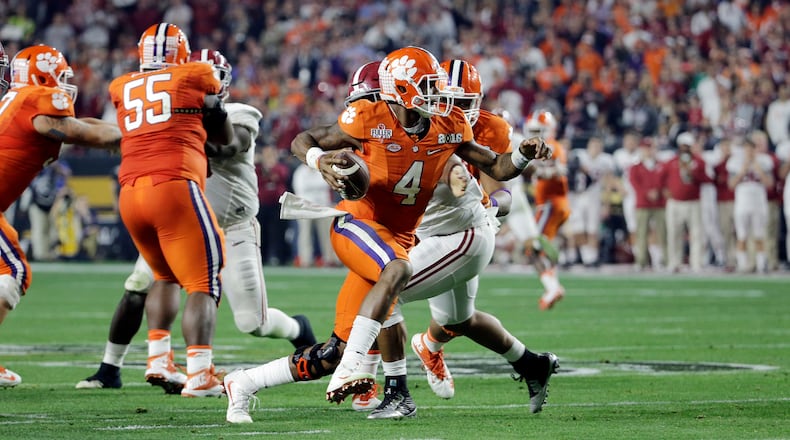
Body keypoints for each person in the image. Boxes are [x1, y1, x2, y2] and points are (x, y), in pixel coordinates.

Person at [223, 46, 552, 424]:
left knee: (338, 346)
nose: (440, 98)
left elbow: (491, 167)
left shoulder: (447, 125)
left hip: (409, 236)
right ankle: (380, 381)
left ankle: (245, 382)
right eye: (429, 87)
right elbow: (311, 140)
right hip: (362, 227)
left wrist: (518, 162)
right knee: (394, 280)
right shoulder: (367, 119)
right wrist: (321, 162)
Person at [75, 48, 317, 392]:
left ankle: (298, 330)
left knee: (253, 321)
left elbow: (230, 144)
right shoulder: (167, 113)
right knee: (138, 286)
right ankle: (110, 367)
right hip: (177, 222)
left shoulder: (239, 112)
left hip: (232, 228)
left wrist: (175, 133)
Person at [369, 59, 559, 419]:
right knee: (458, 320)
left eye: (466, 102)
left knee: (381, 296)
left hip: (462, 230)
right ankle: (532, 364)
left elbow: (502, 189)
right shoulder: (418, 120)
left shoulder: (490, 128)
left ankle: (379, 385)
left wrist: (487, 205)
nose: (457, 110)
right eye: (450, 100)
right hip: (430, 226)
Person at [107, 23, 232, 398]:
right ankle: (200, 373)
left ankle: (158, 358)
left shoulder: (121, 84)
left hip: (130, 191)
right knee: (204, 280)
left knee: (163, 275)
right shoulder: (195, 73)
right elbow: (223, 139)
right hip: (173, 184)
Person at [0, 42, 122, 387]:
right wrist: (132, 137)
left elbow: (79, 123)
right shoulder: (36, 100)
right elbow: (75, 131)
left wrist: (115, 133)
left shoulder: (17, 101)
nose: (66, 82)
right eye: (61, 75)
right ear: (42, 76)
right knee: (13, 272)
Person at [525, 110, 569, 310]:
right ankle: (554, 285)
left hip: (551, 203)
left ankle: (552, 287)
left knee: (534, 246)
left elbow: (560, 170)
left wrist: (540, 172)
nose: (534, 133)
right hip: (553, 203)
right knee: (541, 246)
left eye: (537, 130)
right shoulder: (548, 145)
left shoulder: (551, 146)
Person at [662, 132, 711, 273]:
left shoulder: (699, 162)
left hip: (693, 202)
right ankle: (674, 262)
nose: (684, 148)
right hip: (674, 202)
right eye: (683, 145)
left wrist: (692, 172)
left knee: (696, 234)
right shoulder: (671, 162)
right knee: (673, 233)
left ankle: (696, 262)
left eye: (687, 146)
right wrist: (665, 191)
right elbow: (661, 179)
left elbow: (707, 180)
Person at [566, 136, 615, 268]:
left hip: (594, 196)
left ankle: (592, 257)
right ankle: (585, 256)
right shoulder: (579, 156)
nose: (595, 149)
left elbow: (608, 182)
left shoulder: (605, 160)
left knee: (593, 229)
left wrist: (606, 203)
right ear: (588, 146)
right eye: (593, 145)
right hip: (578, 196)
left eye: (598, 146)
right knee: (578, 228)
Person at [726, 136, 774, 273]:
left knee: (759, 235)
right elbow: (731, 185)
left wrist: (758, 170)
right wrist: (742, 170)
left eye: (751, 148)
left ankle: (760, 265)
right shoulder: (735, 162)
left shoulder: (764, 161)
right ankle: (742, 264)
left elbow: (770, 184)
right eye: (746, 148)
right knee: (742, 235)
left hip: (759, 202)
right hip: (742, 202)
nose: (749, 151)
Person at [629, 137, 667, 270]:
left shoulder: (661, 165)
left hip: (660, 203)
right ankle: (641, 261)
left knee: (663, 232)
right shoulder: (635, 167)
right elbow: (635, 184)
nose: (648, 151)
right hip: (643, 204)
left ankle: (664, 259)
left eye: (650, 148)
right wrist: (647, 193)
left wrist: (657, 191)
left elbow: (665, 182)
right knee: (641, 233)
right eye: (646, 148)